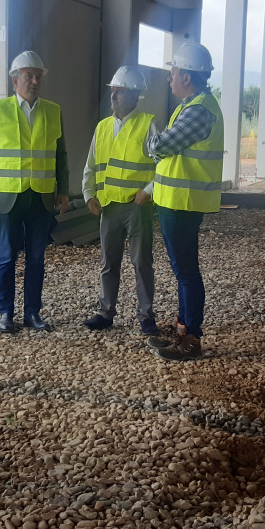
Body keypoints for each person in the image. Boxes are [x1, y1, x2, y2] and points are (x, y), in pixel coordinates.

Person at [0, 50, 69, 333]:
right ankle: (6, 313)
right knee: (6, 257)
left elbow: (60, 155)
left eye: (38, 76)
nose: (35, 81)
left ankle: (32, 313)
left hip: (41, 196)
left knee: (37, 258)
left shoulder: (53, 111)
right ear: (15, 80)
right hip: (7, 197)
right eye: (29, 76)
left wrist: (63, 190)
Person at [145, 42, 225, 362]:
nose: (170, 79)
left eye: (173, 73)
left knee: (187, 272)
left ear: (187, 77)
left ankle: (191, 337)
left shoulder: (199, 111)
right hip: (174, 201)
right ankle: (182, 326)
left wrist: (152, 139)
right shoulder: (191, 105)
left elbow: (162, 146)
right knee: (183, 271)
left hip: (183, 203)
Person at [81, 66, 160, 336]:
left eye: (121, 91)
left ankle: (146, 316)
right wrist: (89, 195)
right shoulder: (103, 127)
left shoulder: (148, 124)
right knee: (109, 262)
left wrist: (149, 190)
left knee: (141, 262)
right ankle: (105, 312)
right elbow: (90, 166)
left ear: (135, 95)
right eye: (113, 90)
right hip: (109, 206)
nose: (114, 96)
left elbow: (163, 165)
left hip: (138, 206)